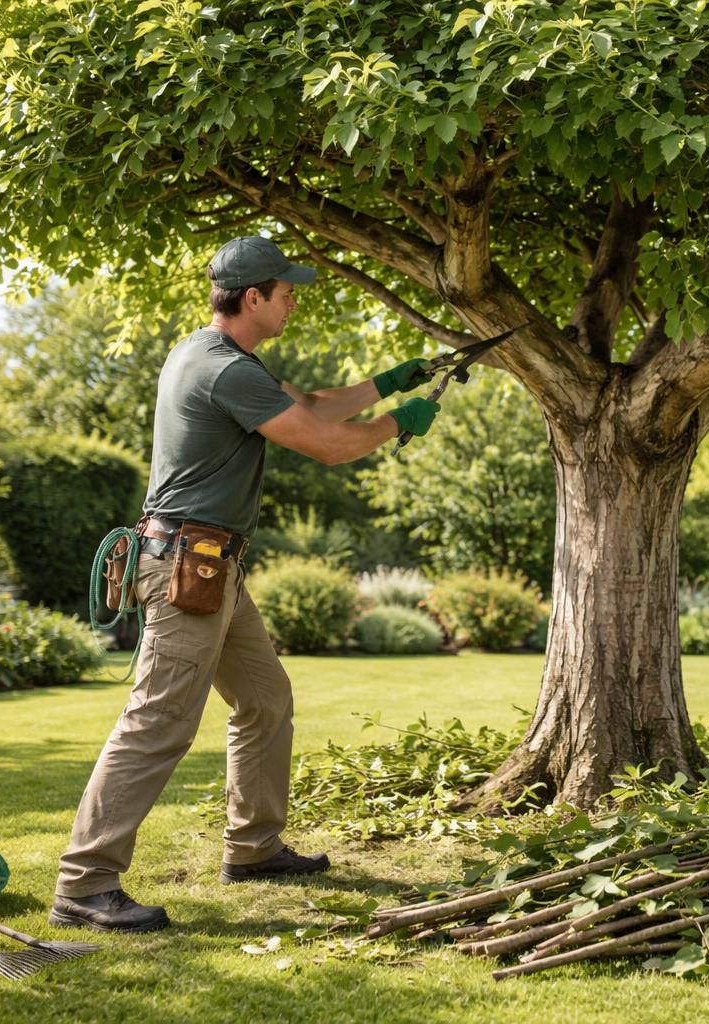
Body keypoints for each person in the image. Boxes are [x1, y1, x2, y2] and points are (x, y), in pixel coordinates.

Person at [48, 236, 440, 933]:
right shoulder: (223, 371)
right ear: (252, 296)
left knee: (264, 698)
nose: (293, 298)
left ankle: (253, 847)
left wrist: (390, 381)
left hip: (213, 565)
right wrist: (395, 425)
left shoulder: (218, 358)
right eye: (285, 289)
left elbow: (314, 405)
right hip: (186, 569)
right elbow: (327, 442)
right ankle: (84, 882)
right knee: (159, 719)